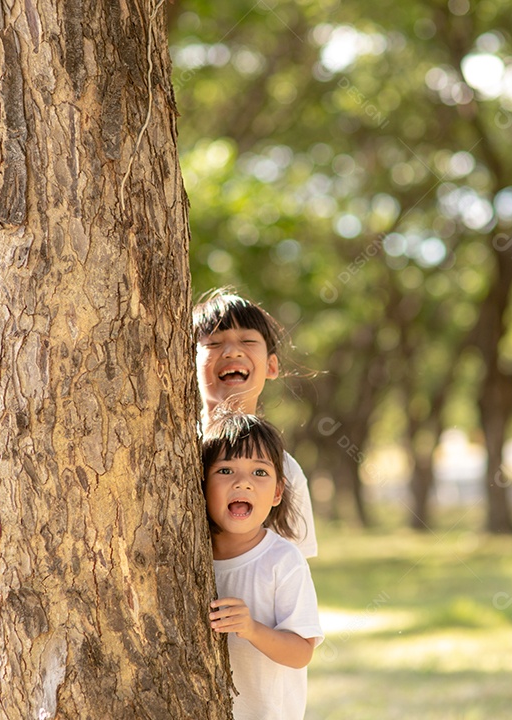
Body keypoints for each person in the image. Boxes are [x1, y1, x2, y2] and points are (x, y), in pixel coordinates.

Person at [203, 412, 324, 720]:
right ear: (201, 484)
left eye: (259, 472)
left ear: (277, 493)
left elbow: (301, 652)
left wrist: (252, 629)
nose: (242, 483)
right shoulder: (194, 555)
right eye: (226, 470)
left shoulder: (282, 561)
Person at [193, 289, 318, 559]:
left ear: (272, 366)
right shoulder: (169, 450)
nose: (231, 351)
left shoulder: (283, 469)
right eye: (213, 343)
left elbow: (293, 576)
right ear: (186, 364)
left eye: (248, 340)